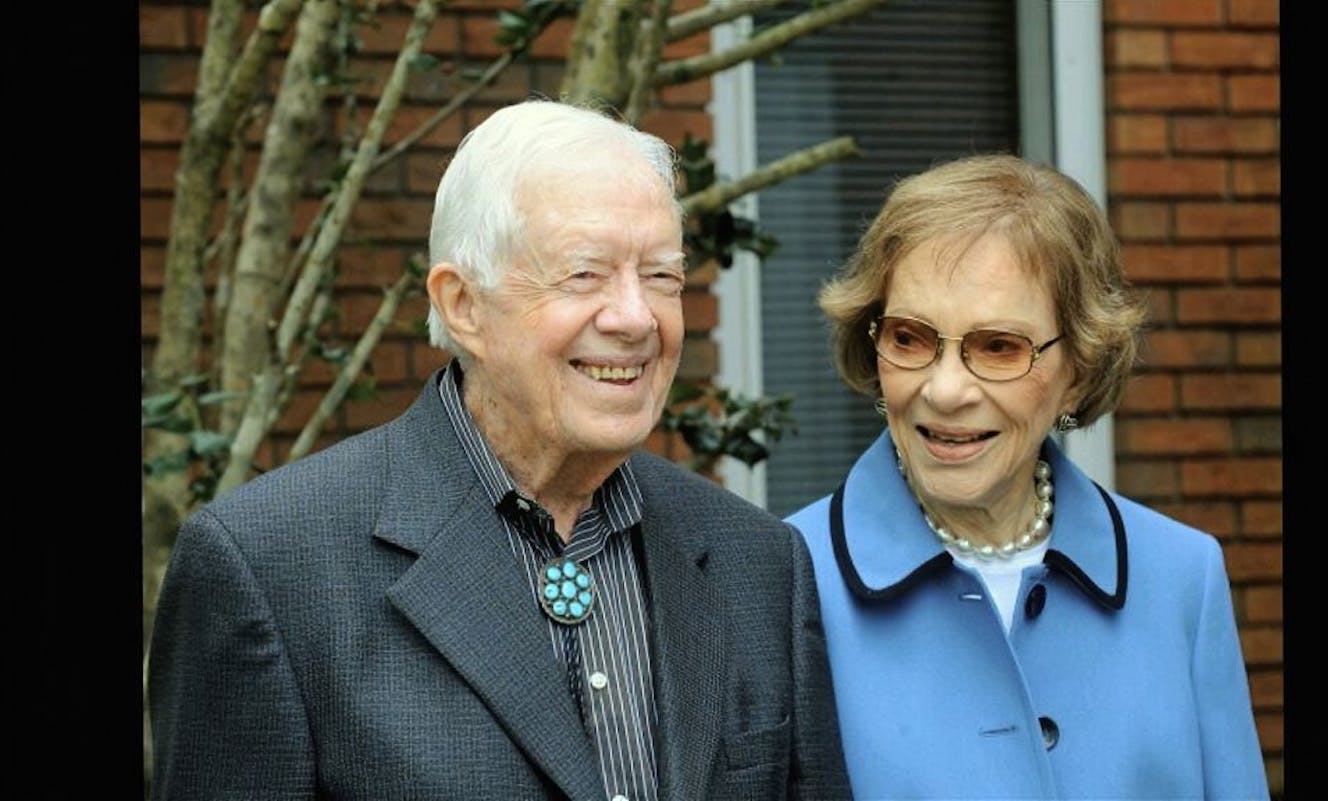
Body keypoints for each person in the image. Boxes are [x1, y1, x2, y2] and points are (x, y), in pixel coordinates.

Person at [148, 98, 852, 800]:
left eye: (662, 275)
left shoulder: (759, 563)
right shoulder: (271, 567)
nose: (637, 316)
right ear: (463, 305)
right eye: (585, 274)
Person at [785, 154, 1270, 799]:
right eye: (910, 337)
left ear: (1079, 370)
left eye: (998, 347)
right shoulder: (783, 581)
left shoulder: (1182, 577)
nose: (946, 389)